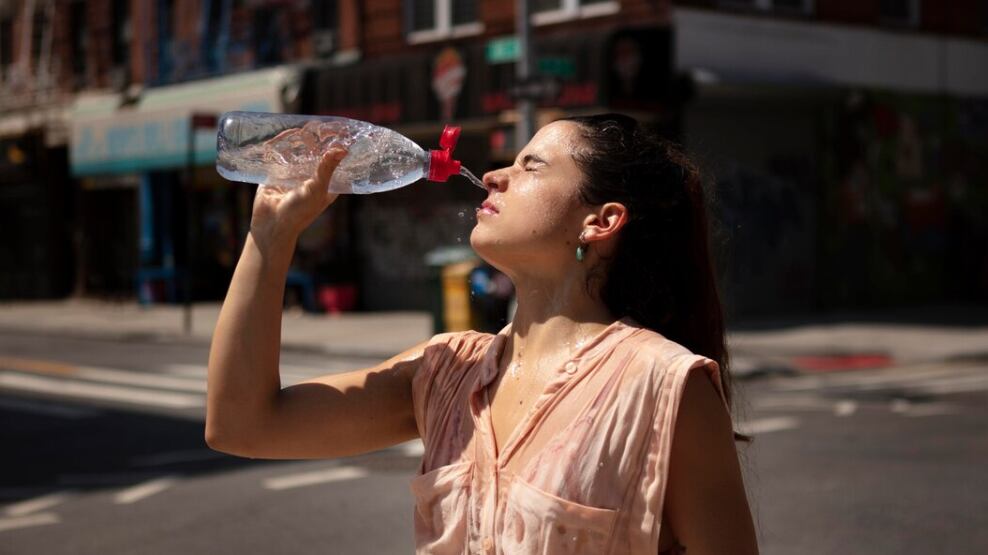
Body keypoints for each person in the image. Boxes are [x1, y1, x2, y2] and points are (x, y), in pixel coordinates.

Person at [205, 114, 759, 554]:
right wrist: (270, 237)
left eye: (531, 165)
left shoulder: (663, 385)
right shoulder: (445, 372)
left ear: (600, 221)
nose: (495, 176)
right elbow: (243, 426)